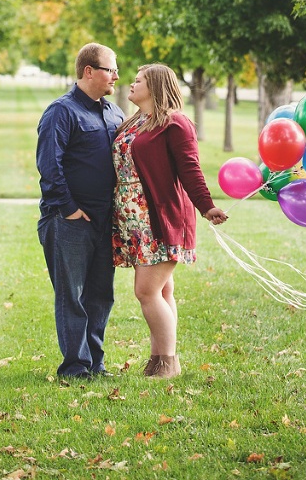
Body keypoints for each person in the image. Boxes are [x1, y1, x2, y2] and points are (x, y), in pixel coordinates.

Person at [112, 63, 227, 379]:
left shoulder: (175, 124)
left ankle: (168, 362)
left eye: (138, 81)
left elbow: (190, 170)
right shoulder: (137, 121)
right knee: (161, 291)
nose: (131, 84)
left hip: (159, 218)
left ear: (156, 87)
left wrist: (206, 207)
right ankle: (158, 359)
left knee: (146, 291)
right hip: (133, 219)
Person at [37, 42, 125, 379]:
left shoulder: (115, 113)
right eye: (110, 69)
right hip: (68, 221)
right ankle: (75, 367)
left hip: (106, 220)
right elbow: (50, 165)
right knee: (71, 295)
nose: (116, 76)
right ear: (89, 71)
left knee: (101, 294)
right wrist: (70, 209)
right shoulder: (61, 112)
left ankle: (96, 362)